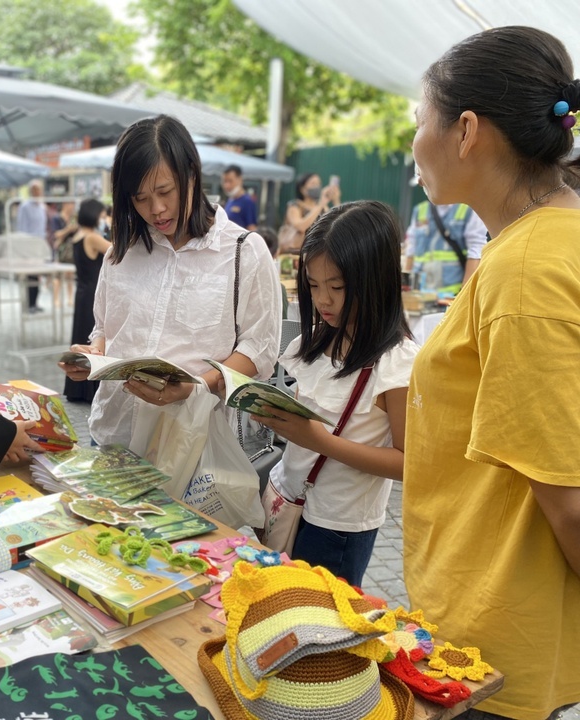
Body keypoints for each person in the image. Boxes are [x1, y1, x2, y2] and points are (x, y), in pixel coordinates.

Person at [404, 26, 580, 720]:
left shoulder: (528, 268)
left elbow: (567, 500)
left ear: (466, 130)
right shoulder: (540, 245)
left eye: (421, 119)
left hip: (493, 657)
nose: (416, 140)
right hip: (495, 630)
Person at [58, 114, 282, 446]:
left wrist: (197, 385)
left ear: (191, 173)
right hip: (114, 435)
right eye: (140, 198)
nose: (157, 209)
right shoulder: (121, 253)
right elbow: (107, 331)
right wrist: (93, 357)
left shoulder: (243, 252)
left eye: (165, 191)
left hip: (193, 446)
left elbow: (259, 350)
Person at [255, 201, 418, 587]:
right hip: (286, 501)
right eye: (312, 285)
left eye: (337, 287)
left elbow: (408, 464)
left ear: (373, 280)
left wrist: (319, 441)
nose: (323, 300)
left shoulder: (397, 363)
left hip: (338, 526)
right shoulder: (319, 340)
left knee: (320, 629)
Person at [63, 198, 111, 403]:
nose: (104, 220)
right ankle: (90, 389)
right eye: (102, 216)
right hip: (93, 292)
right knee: (91, 338)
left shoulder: (77, 235)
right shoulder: (92, 237)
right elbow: (118, 251)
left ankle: (78, 389)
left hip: (82, 291)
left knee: (81, 335)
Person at [403, 200, 488, 294]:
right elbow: (410, 249)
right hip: (419, 293)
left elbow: (476, 251)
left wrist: (465, 294)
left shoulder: (469, 210)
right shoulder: (420, 210)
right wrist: (407, 288)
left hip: (450, 294)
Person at [280, 173, 340, 253]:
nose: (317, 187)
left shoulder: (323, 208)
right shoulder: (295, 206)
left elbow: (337, 222)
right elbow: (301, 227)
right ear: (302, 189)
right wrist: (320, 204)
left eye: (318, 184)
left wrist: (336, 200)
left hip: (314, 253)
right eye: (313, 183)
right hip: (294, 254)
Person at [16, 180, 48, 313]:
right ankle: (29, 304)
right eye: (35, 190)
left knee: (37, 276)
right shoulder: (25, 207)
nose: (37, 192)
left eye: (39, 190)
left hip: (39, 245)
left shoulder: (41, 207)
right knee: (30, 276)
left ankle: (35, 303)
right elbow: (22, 227)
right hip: (29, 246)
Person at [221, 164, 258, 231]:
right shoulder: (230, 200)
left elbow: (252, 228)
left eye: (230, 181)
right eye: (225, 181)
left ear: (240, 180)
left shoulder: (247, 201)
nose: (227, 185)